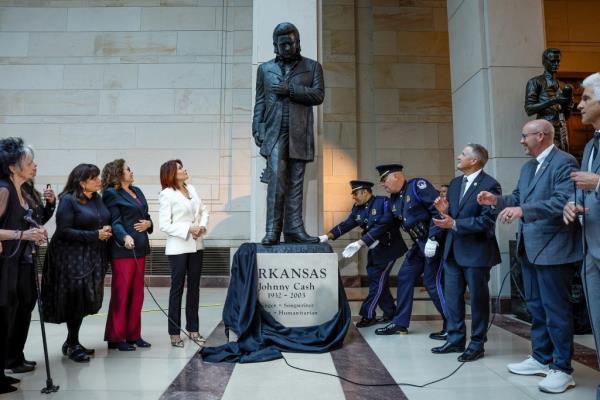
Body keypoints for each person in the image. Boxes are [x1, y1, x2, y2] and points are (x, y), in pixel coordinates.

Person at [478, 119, 581, 394]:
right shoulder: (527, 168)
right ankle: (541, 357)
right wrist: (496, 201)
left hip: (554, 248)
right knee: (536, 308)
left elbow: (562, 201)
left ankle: (562, 369)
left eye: (525, 136)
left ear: (542, 135)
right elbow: (519, 198)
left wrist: (523, 211)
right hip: (530, 248)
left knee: (556, 311)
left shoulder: (564, 162)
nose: (521, 141)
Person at [252, 22, 324, 245]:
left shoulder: (312, 67)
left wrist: (291, 90)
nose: (287, 48)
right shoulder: (265, 69)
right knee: (276, 181)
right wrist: (258, 128)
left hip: (299, 132)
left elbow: (318, 95)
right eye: (282, 44)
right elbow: (260, 102)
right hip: (274, 133)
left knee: (295, 183)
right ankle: (273, 230)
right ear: (275, 45)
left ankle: (294, 230)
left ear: (298, 43)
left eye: (290, 43)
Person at [430, 144, 501, 362]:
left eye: (463, 154)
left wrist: (455, 222)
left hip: (477, 252)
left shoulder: (490, 185)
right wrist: (444, 212)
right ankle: (455, 339)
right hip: (453, 252)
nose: (458, 157)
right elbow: (452, 214)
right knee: (452, 298)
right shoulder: (455, 183)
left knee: (478, 300)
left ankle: (477, 344)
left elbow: (487, 221)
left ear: (474, 161)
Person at [41, 163, 112, 363]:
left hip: (91, 254)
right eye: (94, 178)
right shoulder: (68, 200)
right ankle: (72, 345)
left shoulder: (96, 198)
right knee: (74, 299)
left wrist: (105, 229)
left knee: (84, 299)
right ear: (81, 182)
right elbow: (63, 231)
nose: (99, 181)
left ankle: (72, 341)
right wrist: (95, 234)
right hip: (68, 257)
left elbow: (101, 219)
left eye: (98, 177)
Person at [373, 164, 447, 337]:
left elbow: (438, 211)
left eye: (384, 180)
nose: (383, 184)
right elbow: (385, 223)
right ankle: (400, 323)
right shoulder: (394, 199)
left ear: (396, 176)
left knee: (432, 283)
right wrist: (363, 241)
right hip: (419, 245)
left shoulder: (417, 186)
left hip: (434, 244)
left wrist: (434, 238)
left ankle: (452, 325)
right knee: (404, 276)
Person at [319, 180, 407, 327]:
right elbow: (346, 224)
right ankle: (391, 312)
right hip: (374, 249)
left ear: (365, 192)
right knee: (378, 282)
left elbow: (387, 223)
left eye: (355, 193)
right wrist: (327, 236)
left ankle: (368, 314)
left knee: (376, 283)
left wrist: (365, 241)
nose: (353, 196)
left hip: (389, 249)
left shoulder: (383, 203)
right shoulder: (357, 209)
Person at [563, 72, 600, 400]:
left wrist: (599, 183)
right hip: (590, 250)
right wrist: (573, 205)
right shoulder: (589, 145)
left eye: (586, 98)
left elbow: (593, 182)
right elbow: (582, 189)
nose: (579, 105)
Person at [0, 138, 48, 394]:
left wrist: (34, 233)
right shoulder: (4, 189)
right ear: (12, 167)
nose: (33, 166)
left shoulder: (23, 191)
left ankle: (7, 364)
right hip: (5, 263)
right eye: (28, 162)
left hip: (19, 262)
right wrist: (23, 235)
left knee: (12, 313)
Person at [5, 176, 56, 374]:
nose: (34, 166)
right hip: (16, 256)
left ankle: (16, 355)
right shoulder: (9, 189)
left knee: (27, 305)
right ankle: (10, 357)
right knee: (16, 307)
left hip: (28, 255)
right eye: (29, 162)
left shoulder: (28, 189)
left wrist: (50, 204)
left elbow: (38, 218)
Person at [101, 159, 153, 351]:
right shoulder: (111, 194)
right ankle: (116, 336)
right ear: (117, 173)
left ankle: (133, 334)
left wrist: (149, 223)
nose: (131, 172)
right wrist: (124, 236)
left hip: (140, 247)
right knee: (121, 293)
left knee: (137, 294)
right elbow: (115, 221)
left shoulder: (137, 191)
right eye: (127, 169)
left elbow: (145, 215)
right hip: (123, 249)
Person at [159, 160, 209, 347]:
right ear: (171, 173)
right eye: (180, 168)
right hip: (178, 247)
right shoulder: (166, 194)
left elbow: (203, 210)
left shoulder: (192, 189)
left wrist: (202, 226)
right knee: (177, 289)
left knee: (194, 288)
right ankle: (174, 332)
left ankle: (193, 329)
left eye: (183, 167)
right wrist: (189, 228)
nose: (184, 169)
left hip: (197, 245)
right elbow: (165, 225)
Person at [524, 48, 573, 151]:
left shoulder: (563, 85)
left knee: (563, 159)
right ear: (544, 62)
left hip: (562, 128)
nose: (556, 64)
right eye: (552, 61)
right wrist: (553, 100)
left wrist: (567, 104)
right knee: (546, 159)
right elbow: (529, 109)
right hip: (544, 128)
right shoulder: (535, 82)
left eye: (558, 61)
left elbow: (567, 115)